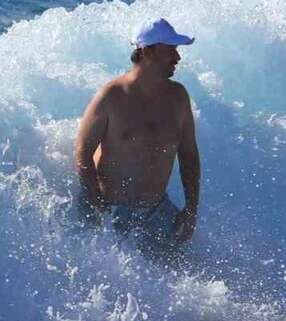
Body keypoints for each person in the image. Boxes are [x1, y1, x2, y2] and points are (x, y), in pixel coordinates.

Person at [74, 18, 200, 258]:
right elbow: (83, 150)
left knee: (180, 275)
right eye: (170, 49)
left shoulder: (178, 97)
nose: (177, 57)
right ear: (147, 52)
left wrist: (191, 208)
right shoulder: (112, 96)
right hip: (110, 211)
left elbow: (189, 155)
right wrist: (94, 202)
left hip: (157, 212)